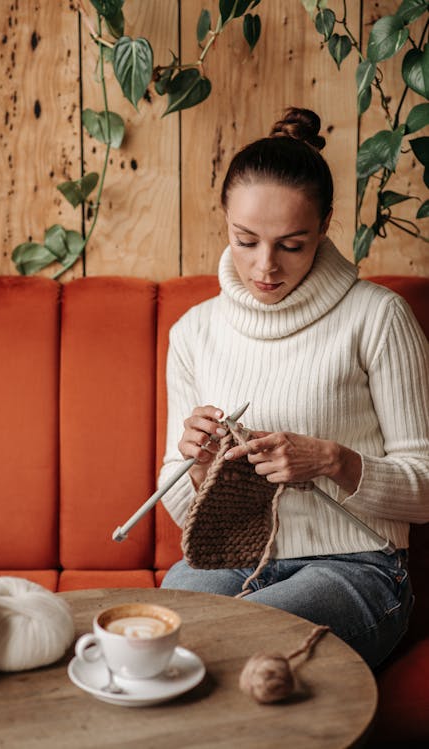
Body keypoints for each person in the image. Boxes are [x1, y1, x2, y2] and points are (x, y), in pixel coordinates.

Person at [158, 107, 429, 670]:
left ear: (325, 225)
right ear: (225, 220)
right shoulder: (193, 332)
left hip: (360, 566)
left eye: (292, 244)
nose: (265, 267)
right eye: (246, 240)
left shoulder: (378, 318)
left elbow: (426, 490)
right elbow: (182, 512)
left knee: (231, 650)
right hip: (229, 559)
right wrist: (200, 467)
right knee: (157, 646)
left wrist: (331, 460)